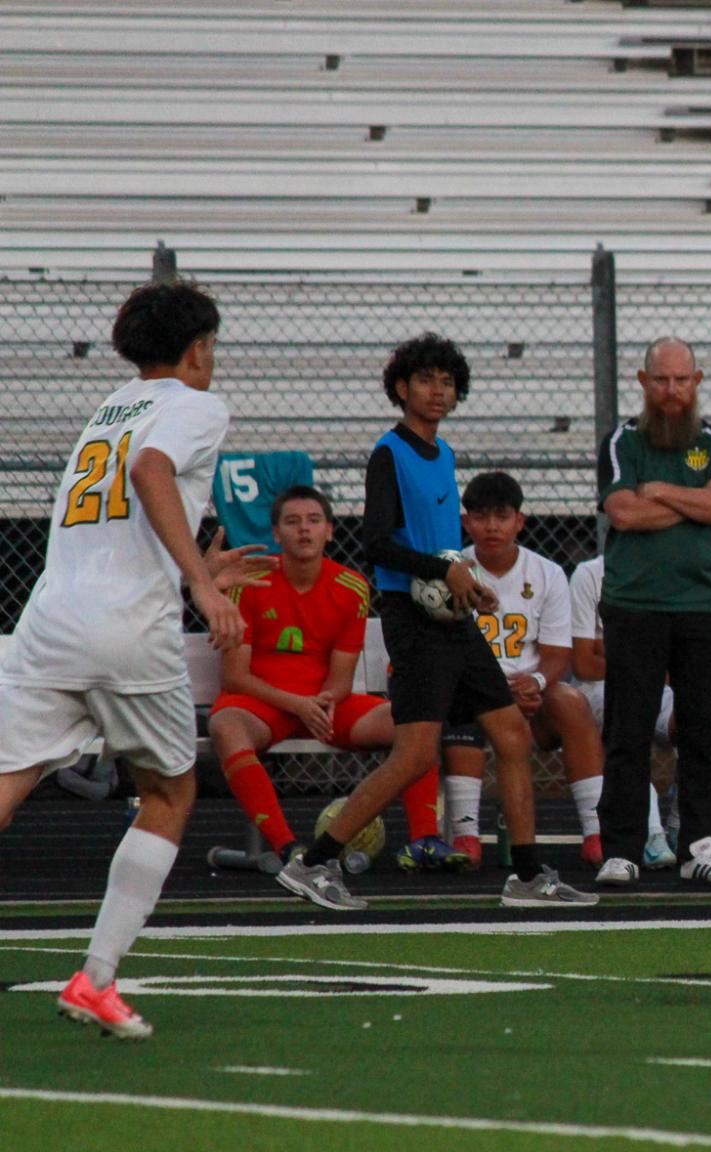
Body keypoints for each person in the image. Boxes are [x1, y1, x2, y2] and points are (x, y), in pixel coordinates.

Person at [0, 279, 272, 1038]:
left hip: (51, 619)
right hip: (125, 629)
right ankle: (97, 977)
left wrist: (194, 572)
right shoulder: (196, 404)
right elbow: (152, 473)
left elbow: (116, 511)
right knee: (169, 794)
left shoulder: (108, 410)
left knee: (7, 785)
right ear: (198, 348)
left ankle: (97, 980)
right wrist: (200, 585)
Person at [277, 333, 595, 910]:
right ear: (402, 388)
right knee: (417, 755)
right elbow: (375, 544)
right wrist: (442, 575)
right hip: (412, 622)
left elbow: (446, 553)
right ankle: (314, 863)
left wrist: (468, 587)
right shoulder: (389, 454)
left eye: (447, 382)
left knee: (512, 736)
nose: (438, 391)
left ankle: (526, 877)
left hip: (451, 620)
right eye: (426, 380)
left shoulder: (443, 455)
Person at [208, 484, 463, 872]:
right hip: (262, 705)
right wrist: (298, 705)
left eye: (313, 521)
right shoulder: (249, 581)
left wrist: (323, 701)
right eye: (292, 522)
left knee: (415, 722)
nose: (304, 530)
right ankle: (288, 848)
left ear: (330, 530)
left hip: (326, 705)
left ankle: (424, 840)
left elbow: (342, 678)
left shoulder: (351, 586)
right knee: (225, 725)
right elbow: (236, 676)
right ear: (276, 534)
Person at [594, 336, 711, 886]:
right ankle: (623, 850)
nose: (672, 390)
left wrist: (658, 490)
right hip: (634, 605)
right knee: (627, 731)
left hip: (705, 605)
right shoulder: (622, 441)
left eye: (682, 380)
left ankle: (702, 847)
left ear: (697, 381)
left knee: (703, 733)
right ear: (642, 381)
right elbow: (624, 514)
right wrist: (694, 499)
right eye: (661, 379)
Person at [441, 470, 606, 870]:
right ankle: (465, 834)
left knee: (570, 700)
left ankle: (596, 831)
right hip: (473, 694)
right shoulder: (451, 571)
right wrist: (497, 690)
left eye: (502, 516)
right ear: (466, 522)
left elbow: (556, 654)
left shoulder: (547, 572)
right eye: (481, 516)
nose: (492, 526)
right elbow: (444, 652)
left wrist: (534, 681)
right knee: (463, 705)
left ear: (520, 521)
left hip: (531, 697)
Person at [568, 553, 675, 868]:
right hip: (598, 688)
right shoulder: (589, 574)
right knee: (631, 720)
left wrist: (613, 649)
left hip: (657, 683)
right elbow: (585, 664)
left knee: (694, 719)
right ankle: (652, 834)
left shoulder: (673, 572)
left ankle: (683, 827)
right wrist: (649, 661)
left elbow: (680, 655)